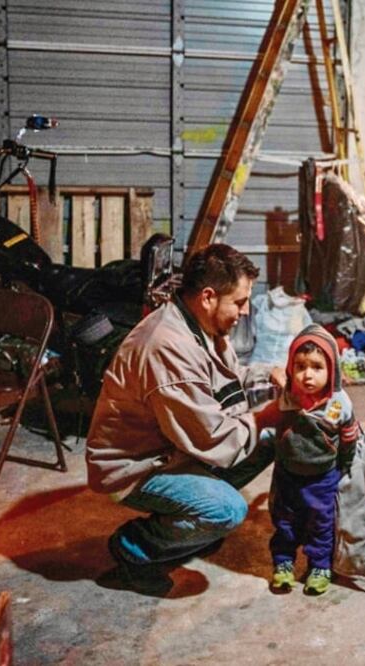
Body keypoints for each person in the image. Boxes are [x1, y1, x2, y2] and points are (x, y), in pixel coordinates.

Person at [87, 244, 283, 595]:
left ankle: (189, 528)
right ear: (208, 297)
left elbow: (230, 377)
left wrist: (271, 375)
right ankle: (135, 548)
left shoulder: (198, 322)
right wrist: (267, 416)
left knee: (269, 440)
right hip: (135, 468)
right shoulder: (168, 347)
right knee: (227, 510)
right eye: (239, 302)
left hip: (172, 445)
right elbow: (213, 440)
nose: (245, 310)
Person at [267, 324, 360, 595]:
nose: (307, 375)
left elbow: (349, 436)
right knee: (284, 520)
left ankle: (319, 565)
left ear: (333, 370)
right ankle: (283, 562)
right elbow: (276, 376)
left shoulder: (339, 404)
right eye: (300, 366)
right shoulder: (289, 395)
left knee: (320, 522)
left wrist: (345, 463)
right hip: (287, 473)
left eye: (317, 367)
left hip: (322, 475)